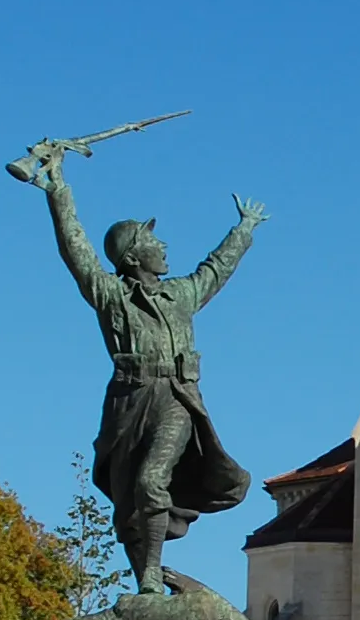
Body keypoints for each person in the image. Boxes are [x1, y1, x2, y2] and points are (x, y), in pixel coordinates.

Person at [28, 146, 266, 594]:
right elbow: (74, 248)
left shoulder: (181, 295)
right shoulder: (111, 295)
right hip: (129, 403)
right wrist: (58, 188)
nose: (164, 246)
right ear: (135, 256)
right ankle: (146, 581)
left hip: (176, 398)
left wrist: (244, 229)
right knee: (128, 501)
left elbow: (216, 269)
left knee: (152, 480)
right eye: (154, 242)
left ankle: (153, 573)